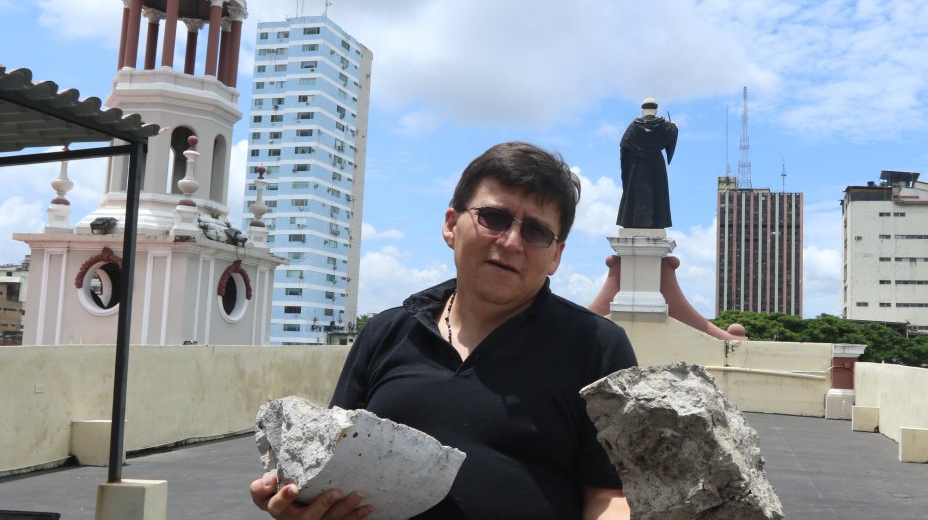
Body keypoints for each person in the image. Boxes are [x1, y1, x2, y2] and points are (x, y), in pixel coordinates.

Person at [251, 142, 637, 519]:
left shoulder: (597, 346)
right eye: (494, 218)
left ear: (556, 255)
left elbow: (610, 495)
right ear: (452, 225)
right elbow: (332, 460)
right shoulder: (387, 331)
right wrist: (302, 502)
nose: (511, 242)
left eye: (536, 232)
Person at [616, 98, 678, 229]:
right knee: (657, 192)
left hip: (636, 167)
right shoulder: (665, 126)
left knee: (634, 192)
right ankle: (657, 222)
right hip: (656, 165)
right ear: (656, 110)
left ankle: (631, 221)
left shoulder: (633, 127)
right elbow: (672, 131)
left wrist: (626, 172)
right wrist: (674, 127)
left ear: (642, 110)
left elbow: (624, 149)